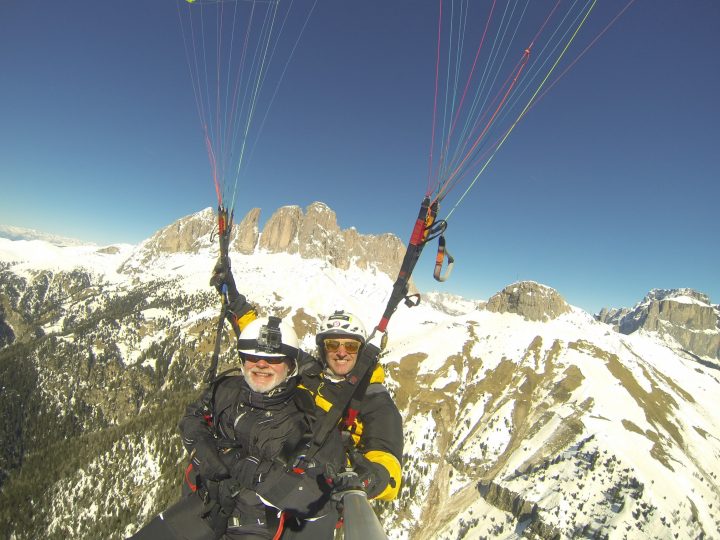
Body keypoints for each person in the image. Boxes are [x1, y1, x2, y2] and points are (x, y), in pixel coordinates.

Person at [129, 314, 346, 540]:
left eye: (273, 359)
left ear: (291, 365)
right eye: (253, 357)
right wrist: (202, 447)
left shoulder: (310, 421)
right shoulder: (226, 390)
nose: (261, 364)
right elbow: (193, 416)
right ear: (242, 360)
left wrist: (252, 470)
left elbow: (317, 497)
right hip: (203, 507)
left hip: (254, 527)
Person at [299, 310, 403, 502]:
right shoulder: (310, 374)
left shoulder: (373, 397)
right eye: (332, 345)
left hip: (328, 489)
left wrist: (374, 477)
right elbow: (269, 354)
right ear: (323, 350)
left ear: (361, 352)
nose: (341, 352)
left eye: (351, 346)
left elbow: (387, 453)